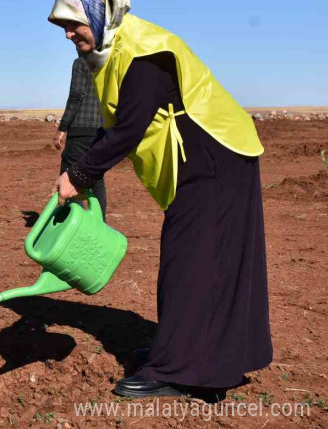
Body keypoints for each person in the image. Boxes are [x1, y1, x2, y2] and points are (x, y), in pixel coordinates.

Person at [48, 0, 271, 398]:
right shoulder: (115, 52)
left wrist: (79, 176)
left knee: (191, 262)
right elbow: (117, 124)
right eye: (62, 26)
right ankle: (183, 350)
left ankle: (181, 370)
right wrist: (80, 170)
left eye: (73, 23)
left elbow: (129, 129)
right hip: (202, 160)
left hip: (214, 158)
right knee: (195, 261)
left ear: (99, 16)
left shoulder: (142, 50)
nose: (67, 34)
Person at [53, 57, 106, 218]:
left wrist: (62, 128)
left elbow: (76, 96)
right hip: (102, 128)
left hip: (81, 128)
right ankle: (99, 227)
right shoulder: (108, 60)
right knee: (96, 180)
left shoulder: (81, 62)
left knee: (70, 177)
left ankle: (75, 224)